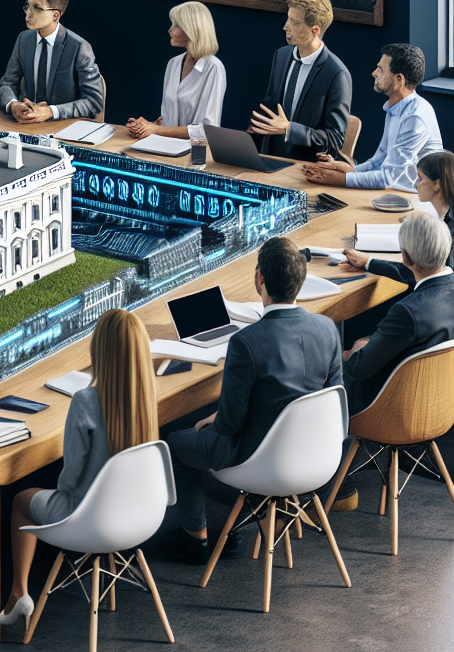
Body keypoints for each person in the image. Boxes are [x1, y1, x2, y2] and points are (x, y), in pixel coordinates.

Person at [163, 237, 343, 563]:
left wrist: (214, 420)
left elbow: (230, 424)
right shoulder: (328, 329)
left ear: (260, 277)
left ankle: (196, 542)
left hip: (261, 460)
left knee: (175, 443)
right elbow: (337, 402)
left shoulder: (246, 342)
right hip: (319, 457)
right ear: (300, 280)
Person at [0, 309, 158, 627]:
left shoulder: (85, 401)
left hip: (88, 518)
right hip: (138, 516)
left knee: (20, 501)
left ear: (99, 351)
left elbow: (70, 476)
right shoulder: (146, 398)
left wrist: (59, 489)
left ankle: (18, 594)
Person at [343, 212, 454, 415]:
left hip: (393, 410)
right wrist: (369, 262)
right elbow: (411, 272)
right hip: (442, 403)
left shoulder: (406, 313)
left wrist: (349, 353)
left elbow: (357, 369)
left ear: (406, 256)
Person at [304, 44, 443, 192]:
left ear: (399, 78)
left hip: (421, 198)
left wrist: (338, 179)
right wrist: (351, 170)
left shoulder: (414, 118)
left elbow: (389, 178)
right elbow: (379, 161)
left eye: (381, 69)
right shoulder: (396, 108)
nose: (374, 73)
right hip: (401, 192)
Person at [248, 0, 352, 161]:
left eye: (295, 23)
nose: (285, 26)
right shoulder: (281, 56)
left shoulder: (336, 74)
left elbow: (335, 139)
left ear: (315, 30)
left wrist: (290, 129)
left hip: (305, 166)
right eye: (288, 19)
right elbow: (269, 108)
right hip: (270, 158)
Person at [0, 0, 104, 123]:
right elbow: (7, 84)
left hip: (61, 130)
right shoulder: (24, 39)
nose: (28, 14)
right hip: (26, 126)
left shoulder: (79, 47)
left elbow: (94, 101)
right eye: (27, 6)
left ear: (56, 15)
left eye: (37, 8)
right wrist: (13, 105)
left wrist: (50, 112)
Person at [343, 150, 454, 285]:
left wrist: (369, 263)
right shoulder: (443, 217)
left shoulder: (449, 230)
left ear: (437, 184)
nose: (415, 184)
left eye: (421, 178)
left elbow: (424, 275)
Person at [126, 1, 227, 141]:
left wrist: (155, 130)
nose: (170, 30)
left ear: (192, 29)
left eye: (176, 25)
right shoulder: (173, 63)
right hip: (166, 146)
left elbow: (207, 130)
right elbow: (167, 120)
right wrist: (147, 126)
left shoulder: (213, 67)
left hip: (192, 153)